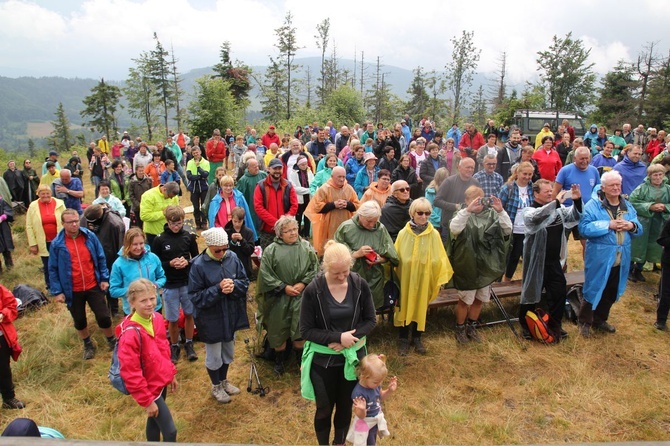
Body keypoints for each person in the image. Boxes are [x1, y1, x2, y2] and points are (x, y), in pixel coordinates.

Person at [300, 240, 376, 446]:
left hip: (351, 360)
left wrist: (347, 341)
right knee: (324, 408)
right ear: (325, 268)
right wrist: (337, 338)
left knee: (345, 406)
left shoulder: (359, 284)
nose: (343, 277)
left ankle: (339, 442)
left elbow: (371, 320)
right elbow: (305, 330)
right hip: (322, 361)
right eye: (336, 273)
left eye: (346, 271)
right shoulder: (313, 291)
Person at [188, 227, 249, 404]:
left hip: (231, 314)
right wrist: (218, 289)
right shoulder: (198, 265)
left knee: (228, 352)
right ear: (209, 247)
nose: (222, 253)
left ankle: (224, 380)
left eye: (225, 248)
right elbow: (195, 297)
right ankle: (216, 385)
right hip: (211, 318)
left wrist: (234, 286)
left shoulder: (233, 258)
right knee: (214, 355)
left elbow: (244, 282)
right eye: (218, 250)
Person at [578, 171, 642, 337]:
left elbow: (638, 228)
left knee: (612, 289)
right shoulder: (593, 206)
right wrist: (608, 225)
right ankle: (585, 322)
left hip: (622, 255)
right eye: (612, 185)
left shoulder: (627, 205)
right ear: (604, 187)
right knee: (594, 287)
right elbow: (584, 229)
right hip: (600, 254)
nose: (616, 188)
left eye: (618, 185)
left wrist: (630, 225)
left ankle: (600, 319)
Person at [49, 209, 117, 359]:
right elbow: (52, 269)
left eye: (76, 221)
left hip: (93, 285)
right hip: (72, 289)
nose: (74, 224)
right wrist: (57, 291)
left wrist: (104, 279)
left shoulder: (89, 236)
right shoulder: (57, 244)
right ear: (62, 224)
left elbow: (100, 258)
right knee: (79, 319)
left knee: (104, 316)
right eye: (70, 222)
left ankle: (112, 340)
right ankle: (87, 344)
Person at [117, 279, 178, 442]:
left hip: (160, 380)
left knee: (154, 421)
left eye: (152, 298)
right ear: (132, 302)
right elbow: (130, 372)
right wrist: (147, 400)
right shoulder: (130, 335)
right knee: (170, 432)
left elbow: (164, 348)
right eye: (143, 300)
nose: (150, 304)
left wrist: (171, 373)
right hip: (149, 387)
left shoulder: (157, 318)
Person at [519, 180, 581, 340]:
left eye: (550, 191)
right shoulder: (529, 210)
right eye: (546, 191)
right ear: (536, 193)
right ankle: (526, 327)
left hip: (554, 261)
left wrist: (577, 200)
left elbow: (574, 216)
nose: (549, 193)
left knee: (559, 293)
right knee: (531, 296)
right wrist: (556, 202)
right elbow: (539, 215)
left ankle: (555, 325)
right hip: (536, 262)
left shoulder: (557, 210)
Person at [256, 216, 319, 375]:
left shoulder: (306, 247)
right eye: (288, 231)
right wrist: (283, 287)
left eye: (294, 229)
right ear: (279, 234)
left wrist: (303, 283)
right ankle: (279, 361)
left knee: (300, 329)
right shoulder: (271, 250)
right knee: (279, 329)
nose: (292, 233)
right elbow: (265, 274)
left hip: (301, 297)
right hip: (279, 298)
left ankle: (300, 359)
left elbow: (314, 268)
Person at [450, 186, 512, 344]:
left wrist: (500, 211)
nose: (479, 204)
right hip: (467, 263)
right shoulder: (462, 214)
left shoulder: (491, 214)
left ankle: (472, 327)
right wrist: (468, 211)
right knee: (465, 299)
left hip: (486, 264)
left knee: (480, 298)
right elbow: (454, 229)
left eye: (481, 200)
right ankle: (460, 329)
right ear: (467, 201)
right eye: (474, 200)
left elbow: (507, 230)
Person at [394, 198, 452, 355]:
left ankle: (417, 337)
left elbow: (440, 257)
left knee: (420, 306)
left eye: (427, 213)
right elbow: (396, 257)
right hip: (406, 278)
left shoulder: (433, 234)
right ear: (412, 213)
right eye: (420, 213)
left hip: (424, 278)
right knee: (405, 305)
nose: (423, 216)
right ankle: (403, 339)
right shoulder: (403, 233)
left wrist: (438, 277)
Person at [152, 206, 199, 364]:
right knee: (172, 318)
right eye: (173, 224)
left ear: (183, 221)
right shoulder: (159, 239)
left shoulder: (189, 237)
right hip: (170, 285)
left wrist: (187, 262)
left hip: (186, 282)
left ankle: (189, 342)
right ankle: (174, 344)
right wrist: (170, 264)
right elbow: (156, 263)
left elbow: (196, 259)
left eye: (179, 223)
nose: (176, 227)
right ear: (167, 222)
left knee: (189, 314)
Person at [335, 201, 399, 310]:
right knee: (352, 307)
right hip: (350, 276)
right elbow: (335, 253)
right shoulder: (346, 228)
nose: (371, 225)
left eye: (375, 221)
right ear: (360, 215)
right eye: (369, 221)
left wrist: (379, 259)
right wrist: (356, 254)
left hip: (375, 278)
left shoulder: (380, 229)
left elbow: (392, 256)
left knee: (370, 307)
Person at [81, 204, 126, 316]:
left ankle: (114, 309)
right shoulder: (85, 217)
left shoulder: (114, 223)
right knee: (97, 284)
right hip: (92, 257)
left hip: (110, 256)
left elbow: (120, 244)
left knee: (111, 282)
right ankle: (102, 309)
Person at [109, 227, 166, 316]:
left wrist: (156, 285)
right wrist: (132, 291)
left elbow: (162, 277)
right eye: (134, 244)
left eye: (141, 243)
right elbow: (113, 291)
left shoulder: (153, 258)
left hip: (154, 307)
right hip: (132, 311)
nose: (139, 247)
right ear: (127, 244)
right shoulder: (118, 264)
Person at [305, 166, 359, 257]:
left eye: (344, 177)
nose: (342, 179)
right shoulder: (325, 188)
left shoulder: (349, 188)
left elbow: (357, 205)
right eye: (339, 177)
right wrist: (333, 205)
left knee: (345, 248)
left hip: (346, 223)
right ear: (332, 176)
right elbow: (316, 207)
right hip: (329, 225)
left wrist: (347, 204)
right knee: (331, 247)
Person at [628, 164, 670, 282]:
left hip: (659, 222)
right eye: (655, 175)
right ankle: (630, 269)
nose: (657, 177)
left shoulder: (667, 189)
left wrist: (665, 207)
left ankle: (639, 270)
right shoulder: (642, 188)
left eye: (660, 174)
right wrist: (649, 206)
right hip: (644, 221)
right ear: (650, 176)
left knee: (652, 246)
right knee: (638, 245)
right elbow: (632, 201)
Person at [347, 354, 397, 446]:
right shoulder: (359, 393)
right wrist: (361, 409)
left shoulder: (375, 385)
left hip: (374, 421)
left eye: (380, 381)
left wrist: (389, 390)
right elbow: (361, 417)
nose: (378, 384)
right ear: (363, 376)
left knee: (372, 441)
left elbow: (380, 397)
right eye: (376, 382)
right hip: (365, 423)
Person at [498, 162, 535, 281]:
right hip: (510, 227)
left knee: (520, 257)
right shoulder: (507, 188)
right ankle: (498, 283)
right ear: (518, 173)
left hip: (526, 229)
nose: (527, 177)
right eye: (525, 174)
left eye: (530, 174)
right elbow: (499, 208)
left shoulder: (533, 188)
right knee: (505, 257)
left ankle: (512, 280)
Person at [434, 157, 480, 248]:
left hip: (468, 226)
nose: (470, 170)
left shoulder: (475, 183)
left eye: (472, 168)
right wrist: (455, 206)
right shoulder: (449, 182)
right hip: (449, 226)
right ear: (459, 167)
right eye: (467, 167)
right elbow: (437, 201)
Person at [253, 158, 298, 249]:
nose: (277, 171)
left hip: (286, 230)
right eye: (275, 168)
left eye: (279, 168)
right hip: (267, 231)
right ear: (269, 169)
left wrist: (284, 222)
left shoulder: (288, 185)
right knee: (268, 258)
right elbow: (258, 207)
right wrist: (276, 223)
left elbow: (294, 205)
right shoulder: (261, 186)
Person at [26, 185, 65, 288]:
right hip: (43, 241)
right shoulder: (33, 206)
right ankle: (51, 286)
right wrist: (33, 244)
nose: (45, 195)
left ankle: (63, 284)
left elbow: (66, 220)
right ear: (38, 194)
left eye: (47, 193)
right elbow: (29, 226)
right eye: (42, 193)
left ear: (51, 194)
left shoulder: (60, 203)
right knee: (48, 266)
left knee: (62, 263)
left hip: (59, 240)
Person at [0, 284, 24, 409]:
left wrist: (3, 314)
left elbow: (11, 305)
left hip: (1, 338)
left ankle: (8, 399)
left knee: (3, 368)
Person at [224, 207, 256, 280]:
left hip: (245, 266)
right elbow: (225, 251)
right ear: (231, 219)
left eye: (239, 221)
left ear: (243, 220)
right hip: (230, 266)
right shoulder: (226, 232)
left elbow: (250, 251)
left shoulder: (249, 232)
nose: (237, 224)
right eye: (235, 221)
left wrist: (242, 240)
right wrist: (232, 242)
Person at [288, 155, 314, 238]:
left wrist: (311, 190)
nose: (305, 166)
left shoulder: (309, 172)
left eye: (306, 164)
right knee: (298, 218)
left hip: (308, 198)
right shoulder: (293, 173)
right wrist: (308, 190)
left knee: (307, 218)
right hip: (299, 199)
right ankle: (297, 234)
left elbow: (313, 183)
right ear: (298, 165)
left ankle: (306, 234)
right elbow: (294, 188)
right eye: (302, 164)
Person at [128, 164, 153, 229]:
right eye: (140, 171)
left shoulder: (148, 180)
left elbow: (151, 192)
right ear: (136, 171)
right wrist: (138, 205)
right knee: (140, 225)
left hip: (147, 206)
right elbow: (131, 195)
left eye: (142, 170)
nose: (141, 172)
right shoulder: (132, 182)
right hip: (137, 208)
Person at [0, 195, 15, 272]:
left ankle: (10, 267)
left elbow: (9, 211)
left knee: (6, 249)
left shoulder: (1, 201)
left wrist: (3, 217)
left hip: (3, 228)